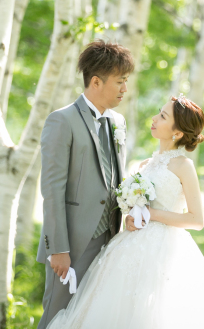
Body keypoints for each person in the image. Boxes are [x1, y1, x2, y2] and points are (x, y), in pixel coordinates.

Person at [45, 94, 204, 328]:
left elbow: (196, 219)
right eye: (159, 113)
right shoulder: (144, 164)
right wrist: (129, 220)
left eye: (163, 116)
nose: (154, 118)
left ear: (178, 133)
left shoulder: (184, 166)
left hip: (165, 250)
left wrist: (152, 215)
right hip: (129, 246)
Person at [37, 39, 134, 329]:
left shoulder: (118, 122)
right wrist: (58, 248)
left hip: (111, 241)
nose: (124, 89)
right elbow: (52, 189)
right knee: (56, 317)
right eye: (120, 81)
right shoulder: (62, 120)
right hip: (73, 244)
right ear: (95, 81)